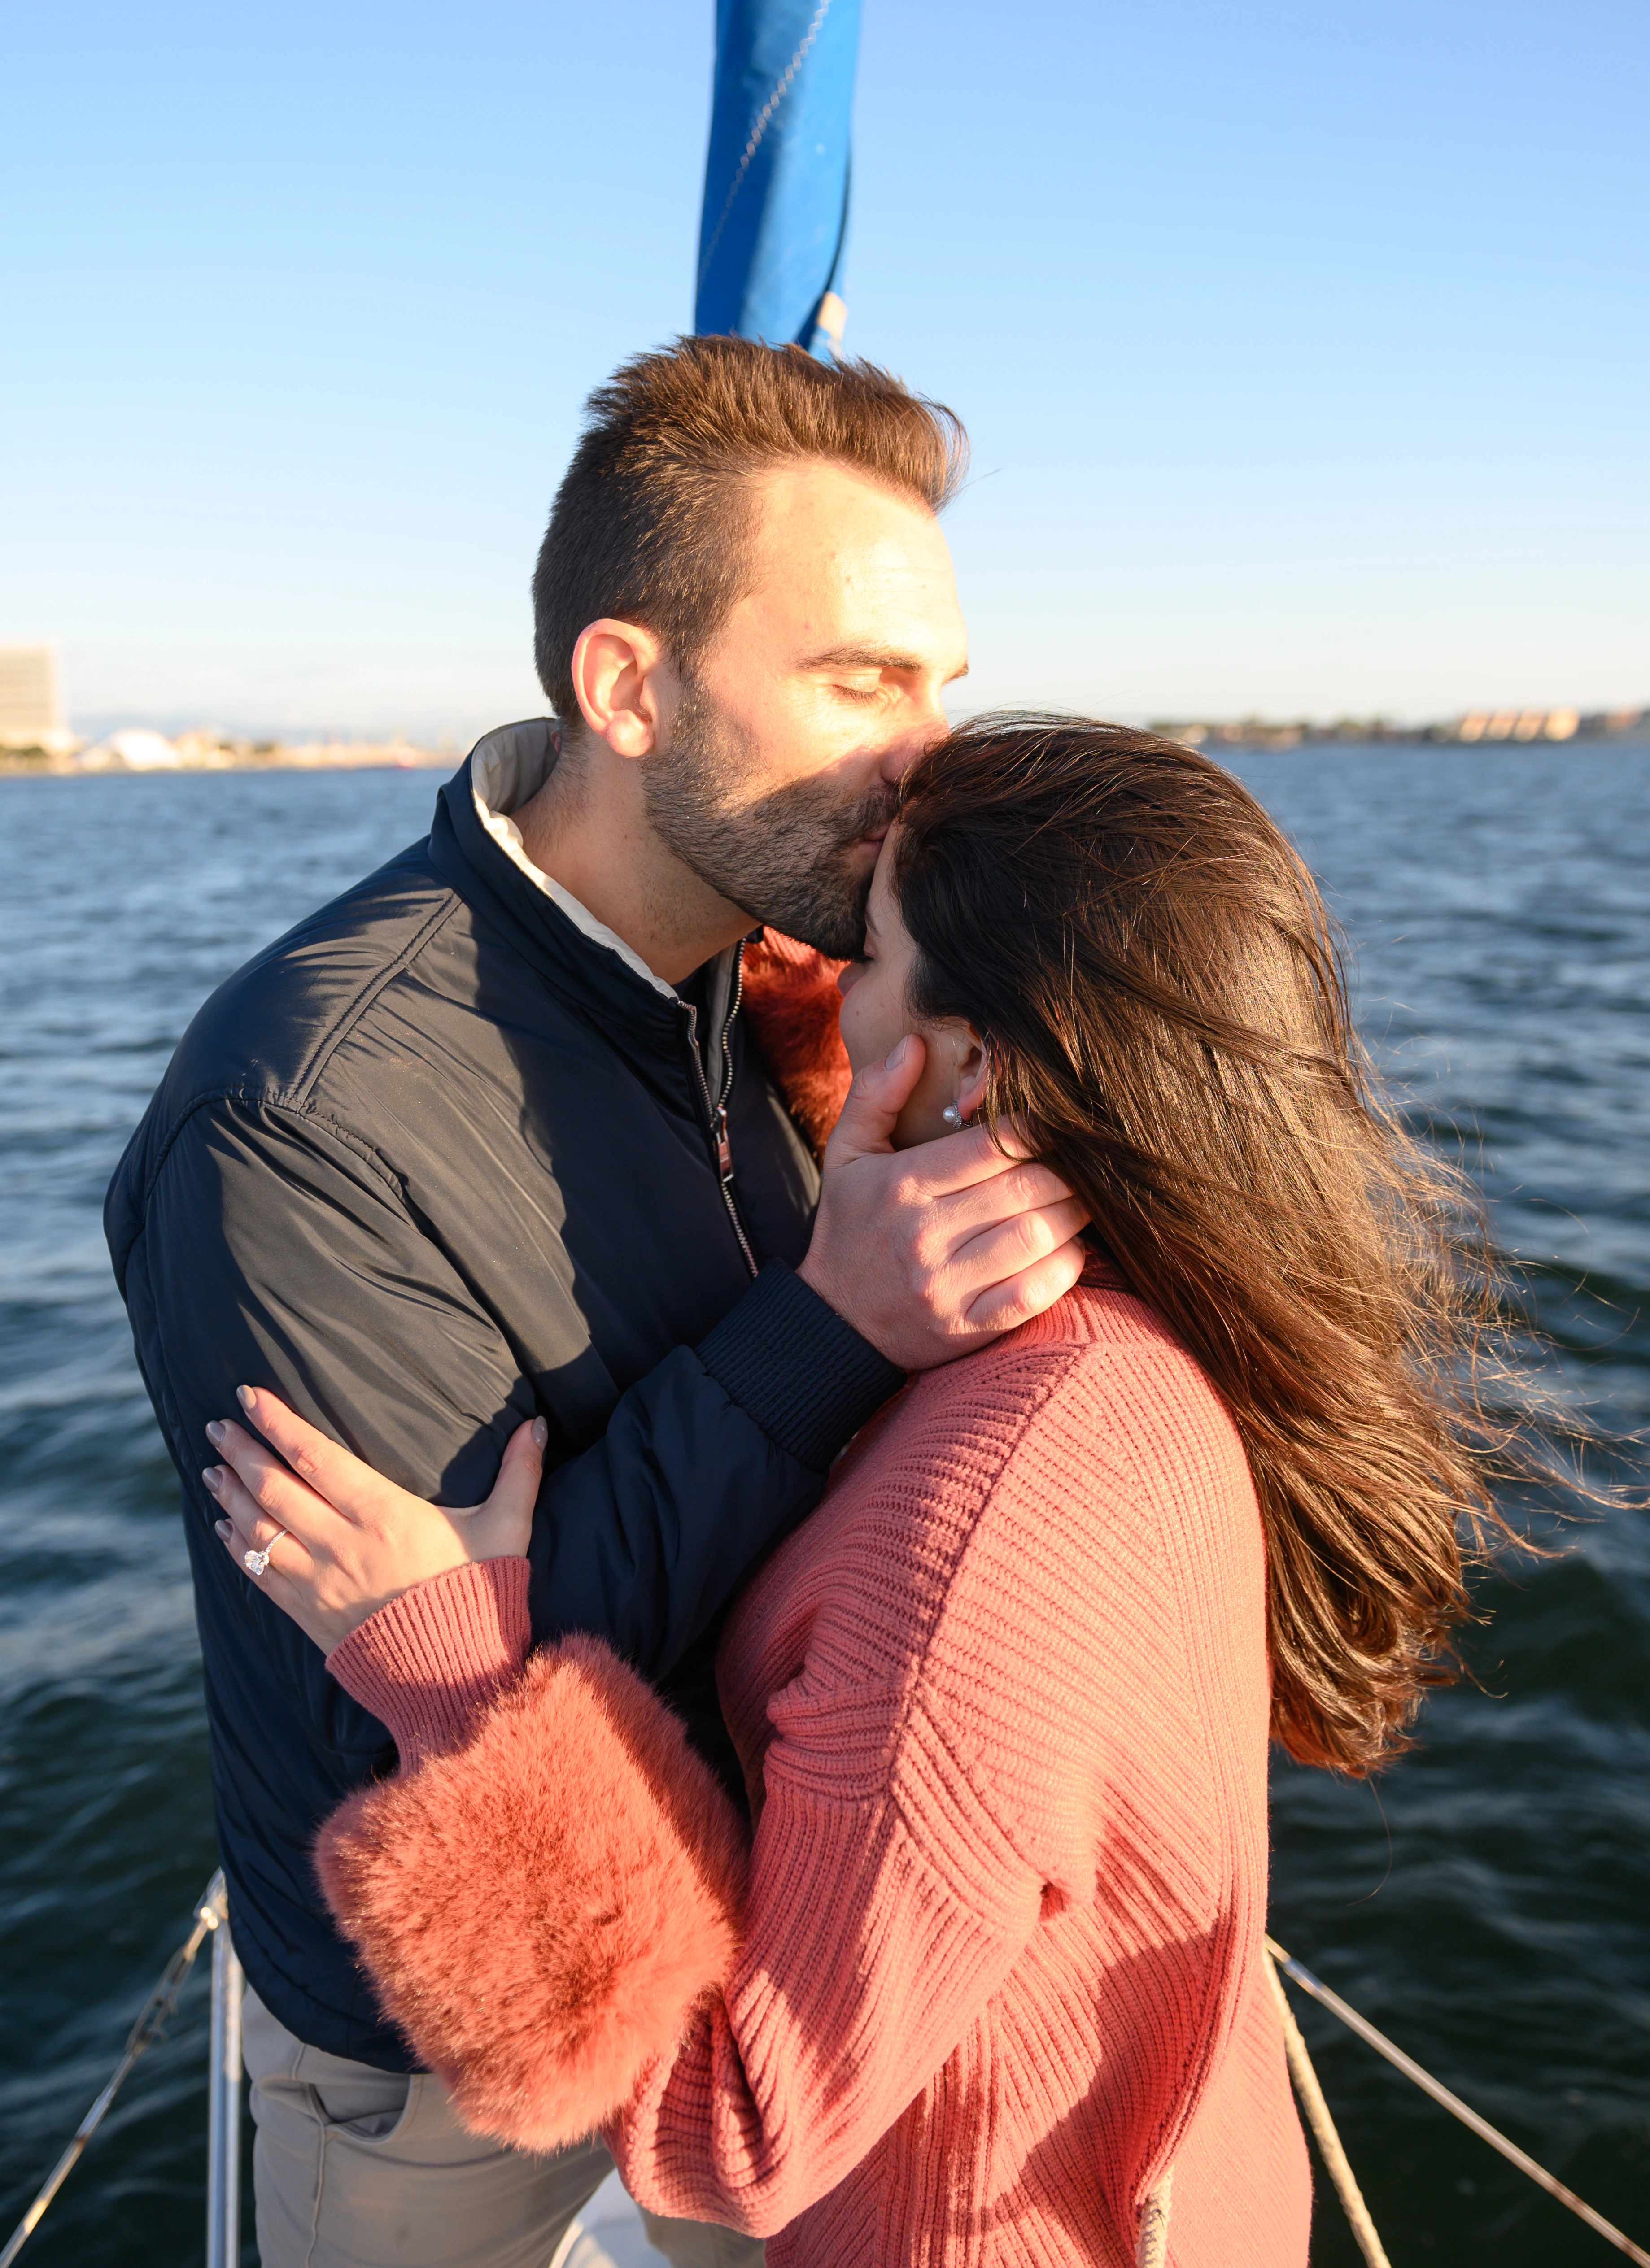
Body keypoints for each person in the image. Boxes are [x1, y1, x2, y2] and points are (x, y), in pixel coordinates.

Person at [201, 718, 1504, 2268]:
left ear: (973, 1064)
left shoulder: (995, 1506)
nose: (812, 963)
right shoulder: (1156, 1332)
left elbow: (731, 2140)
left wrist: (455, 1676)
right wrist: (823, 1074)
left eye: (864, 953)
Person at [104, 345, 1086, 2268]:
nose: (929, 750)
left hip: (751, 1945)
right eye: (860, 681)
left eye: (938, 681)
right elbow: (421, 1655)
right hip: (446, 2058)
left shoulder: (737, 976)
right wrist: (834, 1320)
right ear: (628, 685)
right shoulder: (297, 1119)